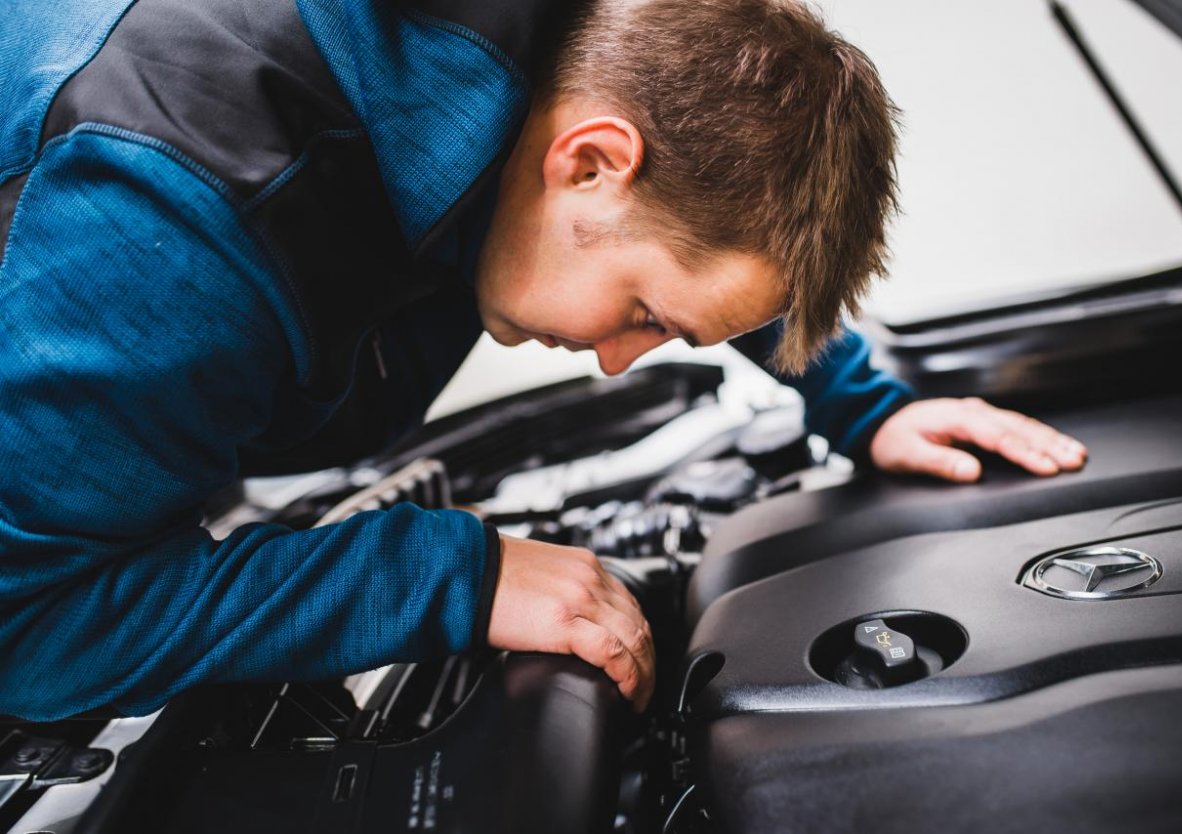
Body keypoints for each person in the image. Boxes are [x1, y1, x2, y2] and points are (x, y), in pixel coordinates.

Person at [0, 0, 1084, 721]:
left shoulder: (585, 60)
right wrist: (452, 576)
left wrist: (857, 400)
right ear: (590, 160)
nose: (618, 365)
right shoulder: (171, 233)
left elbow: (697, 212)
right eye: (643, 314)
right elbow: (31, 628)